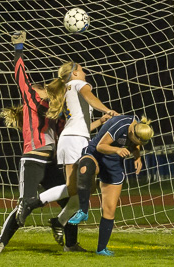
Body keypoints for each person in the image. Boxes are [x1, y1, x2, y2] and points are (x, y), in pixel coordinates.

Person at [0, 31, 81, 255]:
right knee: (24, 205)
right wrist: (18, 49)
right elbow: (21, 76)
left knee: (72, 200)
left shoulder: (57, 111)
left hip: (51, 162)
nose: (44, 91)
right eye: (41, 88)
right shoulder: (31, 98)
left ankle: (71, 245)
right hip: (32, 159)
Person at [16, 56, 119, 241]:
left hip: (77, 138)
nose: (85, 72)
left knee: (86, 188)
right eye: (82, 69)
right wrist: (108, 110)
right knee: (76, 189)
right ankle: (33, 203)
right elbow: (92, 98)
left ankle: (59, 221)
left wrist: (100, 120)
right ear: (75, 73)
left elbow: (80, 124)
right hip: (73, 140)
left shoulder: (69, 89)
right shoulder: (78, 84)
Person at [68, 115, 154, 256]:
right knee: (85, 168)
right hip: (96, 154)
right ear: (132, 132)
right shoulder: (120, 126)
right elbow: (101, 146)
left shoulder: (137, 127)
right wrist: (117, 150)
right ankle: (83, 211)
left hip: (113, 163)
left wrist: (137, 156)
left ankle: (101, 249)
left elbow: (136, 143)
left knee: (109, 208)